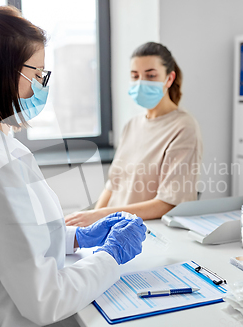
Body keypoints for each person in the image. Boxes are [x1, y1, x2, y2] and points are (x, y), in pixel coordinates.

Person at [0, 6, 146, 327]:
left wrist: (76, 238)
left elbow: (17, 238)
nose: (42, 85)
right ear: (4, 73)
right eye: (37, 74)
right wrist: (111, 256)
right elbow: (45, 301)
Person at [66, 42, 203, 227]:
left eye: (151, 75)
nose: (141, 83)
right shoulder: (132, 124)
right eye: (135, 76)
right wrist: (92, 223)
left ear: (169, 79)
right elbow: (113, 185)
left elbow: (169, 202)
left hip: (142, 233)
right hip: (112, 227)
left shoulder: (183, 127)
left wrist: (101, 216)